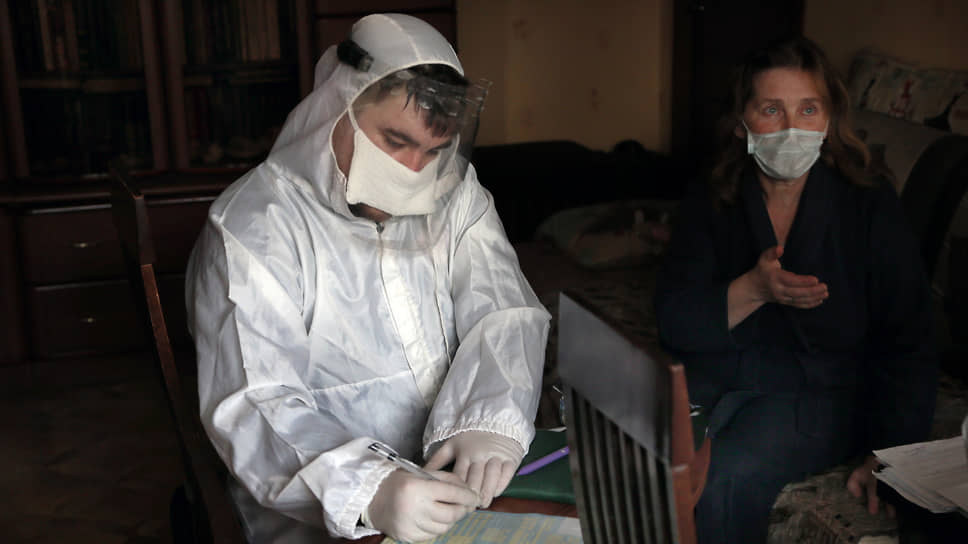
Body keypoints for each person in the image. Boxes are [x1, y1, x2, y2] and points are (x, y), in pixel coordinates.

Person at [185, 14, 550, 543]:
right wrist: (368, 489)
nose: (413, 171)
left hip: (453, 490)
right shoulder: (253, 226)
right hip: (317, 518)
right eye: (395, 141)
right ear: (337, 108)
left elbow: (503, 309)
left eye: (433, 150)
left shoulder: (455, 193)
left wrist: (488, 417)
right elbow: (256, 400)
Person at [654, 37, 938, 543]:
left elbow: (909, 336)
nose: (791, 128)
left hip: (822, 397)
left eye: (808, 109)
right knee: (639, 451)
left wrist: (894, 453)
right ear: (741, 122)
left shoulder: (868, 201)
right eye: (771, 109)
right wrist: (753, 289)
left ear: (828, 119)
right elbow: (674, 321)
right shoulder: (714, 195)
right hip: (718, 377)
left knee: (723, 481)